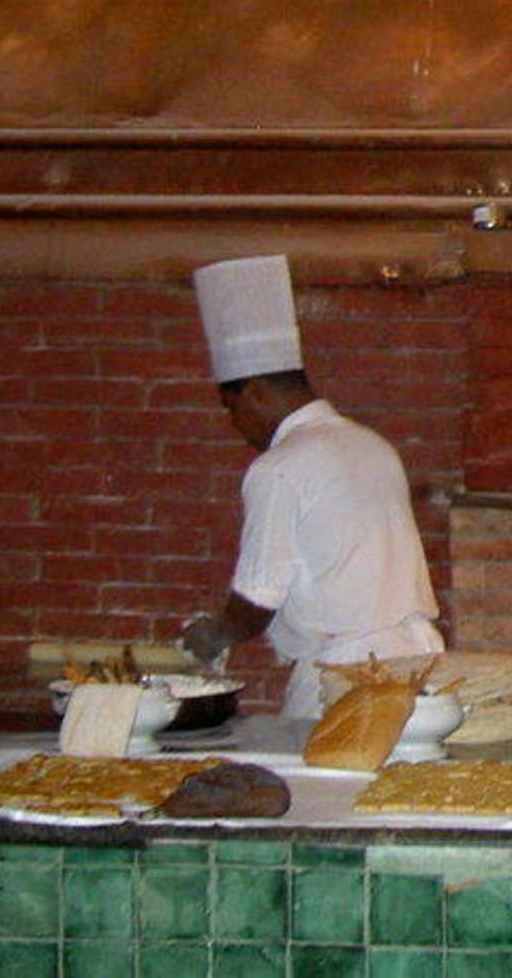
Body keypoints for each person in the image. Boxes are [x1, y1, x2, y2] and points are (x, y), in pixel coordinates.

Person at [180, 254, 443, 719]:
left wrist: (215, 633)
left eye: (231, 409)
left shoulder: (278, 468)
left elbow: (258, 597)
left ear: (256, 392)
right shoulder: (372, 444)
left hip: (342, 678)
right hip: (416, 666)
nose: (236, 425)